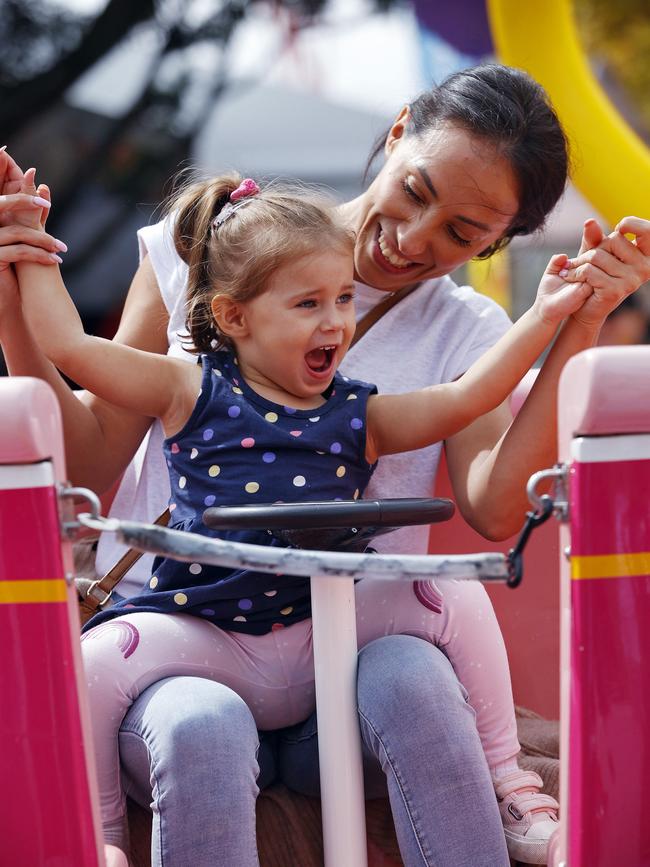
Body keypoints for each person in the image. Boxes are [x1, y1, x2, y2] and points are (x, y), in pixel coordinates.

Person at [2, 63, 649, 867]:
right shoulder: (207, 245)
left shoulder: (463, 330)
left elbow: (494, 506)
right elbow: (88, 453)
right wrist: (16, 292)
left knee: (417, 680)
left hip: (344, 648)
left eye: (461, 233)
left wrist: (580, 322)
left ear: (497, 244)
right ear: (399, 127)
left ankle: (506, 800)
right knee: (200, 726)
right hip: (183, 633)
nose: (415, 238)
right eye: (416, 191)